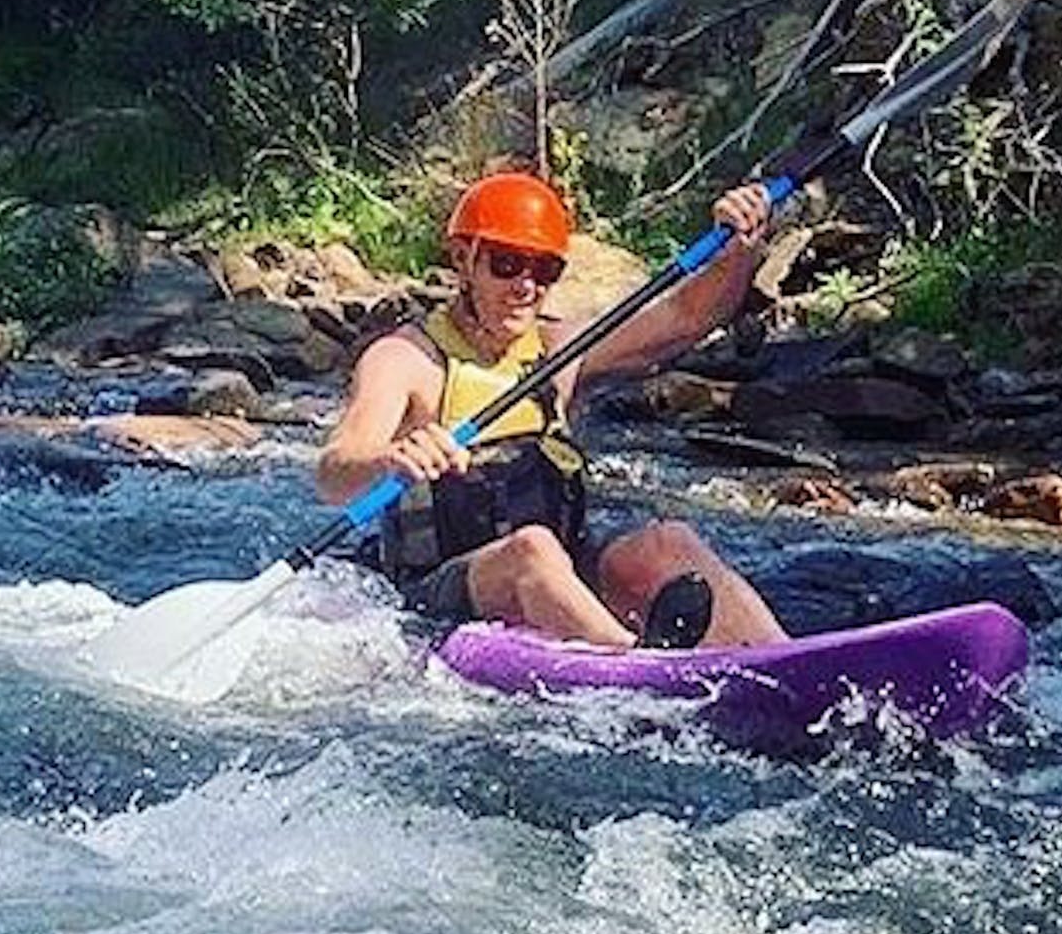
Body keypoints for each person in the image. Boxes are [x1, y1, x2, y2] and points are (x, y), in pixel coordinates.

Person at [317, 171, 790, 650]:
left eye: (543, 271)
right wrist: (390, 459)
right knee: (532, 549)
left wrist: (740, 251)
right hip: (439, 592)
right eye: (506, 264)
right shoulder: (404, 359)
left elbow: (687, 317)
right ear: (464, 260)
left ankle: (784, 657)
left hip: (560, 575)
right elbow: (334, 473)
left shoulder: (558, 350)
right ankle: (634, 664)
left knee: (668, 542)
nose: (525, 285)